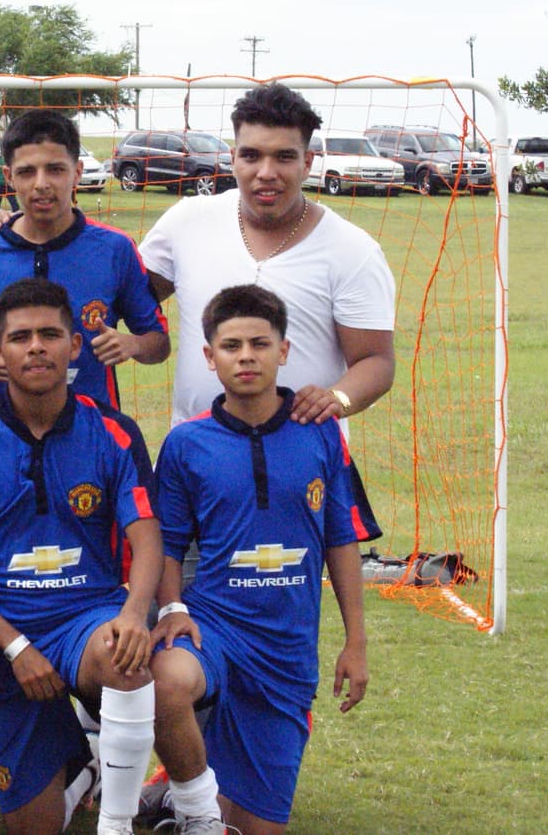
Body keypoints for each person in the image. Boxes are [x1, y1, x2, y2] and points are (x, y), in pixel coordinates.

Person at [0, 278, 164, 835]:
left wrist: (133, 615)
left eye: (50, 335)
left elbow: (147, 537)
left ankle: (117, 824)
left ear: (75, 345)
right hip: (2, 634)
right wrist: (14, 645)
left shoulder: (114, 431)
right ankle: (78, 764)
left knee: (125, 656)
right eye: (20, 337)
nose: (36, 347)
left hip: (86, 619)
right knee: (33, 827)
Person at [148, 284, 370, 835]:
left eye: (258, 343)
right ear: (209, 358)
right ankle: (193, 807)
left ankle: (177, 807)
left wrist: (355, 641)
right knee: (165, 681)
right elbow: (166, 545)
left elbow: (341, 540)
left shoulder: (320, 434)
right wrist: (173, 607)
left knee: (255, 829)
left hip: (286, 650)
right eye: (230, 346)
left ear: (284, 351)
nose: (245, 355)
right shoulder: (185, 444)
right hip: (213, 632)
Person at [138, 82, 396, 429]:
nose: (266, 172)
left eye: (284, 157)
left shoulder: (352, 250)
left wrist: (337, 399)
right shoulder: (186, 221)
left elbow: (376, 360)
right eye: (251, 155)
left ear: (307, 163)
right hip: (197, 460)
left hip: (302, 460)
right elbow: (126, 297)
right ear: (232, 159)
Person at [0, 109, 169, 411]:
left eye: (55, 169)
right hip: (2, 429)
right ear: (9, 176)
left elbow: (158, 343)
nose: (41, 183)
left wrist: (131, 344)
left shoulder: (115, 248)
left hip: (92, 429)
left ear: (77, 172)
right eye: (27, 171)